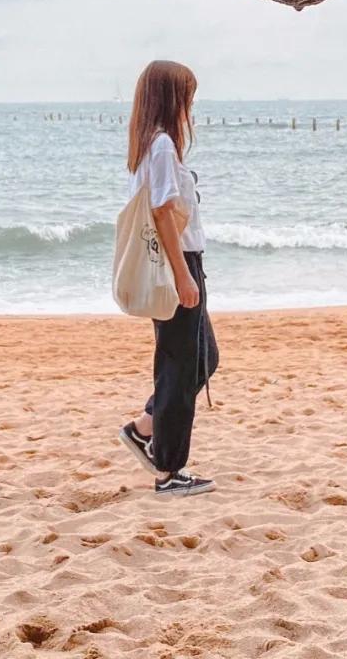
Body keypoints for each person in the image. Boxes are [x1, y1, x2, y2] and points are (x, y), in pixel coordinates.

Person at [117, 60, 219, 497]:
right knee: (178, 368)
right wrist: (183, 277)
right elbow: (161, 212)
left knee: (202, 359)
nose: (191, 105)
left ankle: (144, 428)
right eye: (187, 95)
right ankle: (169, 471)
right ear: (171, 97)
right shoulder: (160, 146)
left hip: (185, 264)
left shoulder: (156, 145)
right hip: (179, 267)